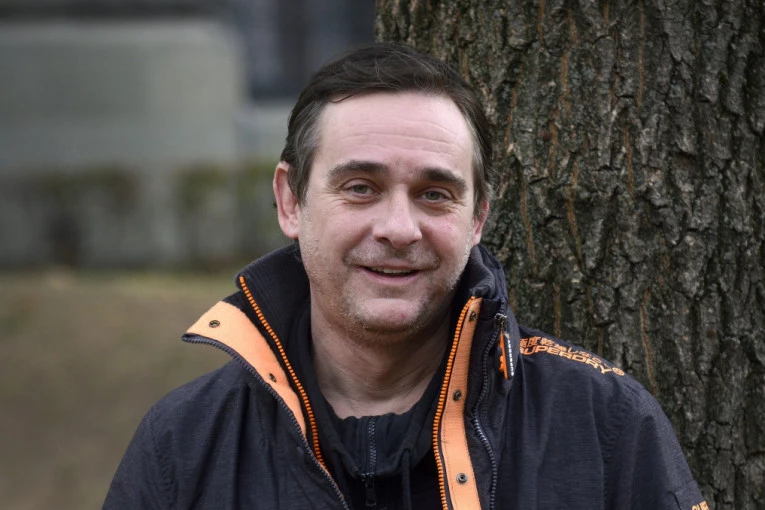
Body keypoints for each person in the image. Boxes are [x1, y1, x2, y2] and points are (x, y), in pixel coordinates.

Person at [104, 42, 707, 510]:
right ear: (291, 201)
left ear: (477, 218)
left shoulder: (605, 426)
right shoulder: (183, 445)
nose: (398, 228)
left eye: (434, 193)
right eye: (360, 188)